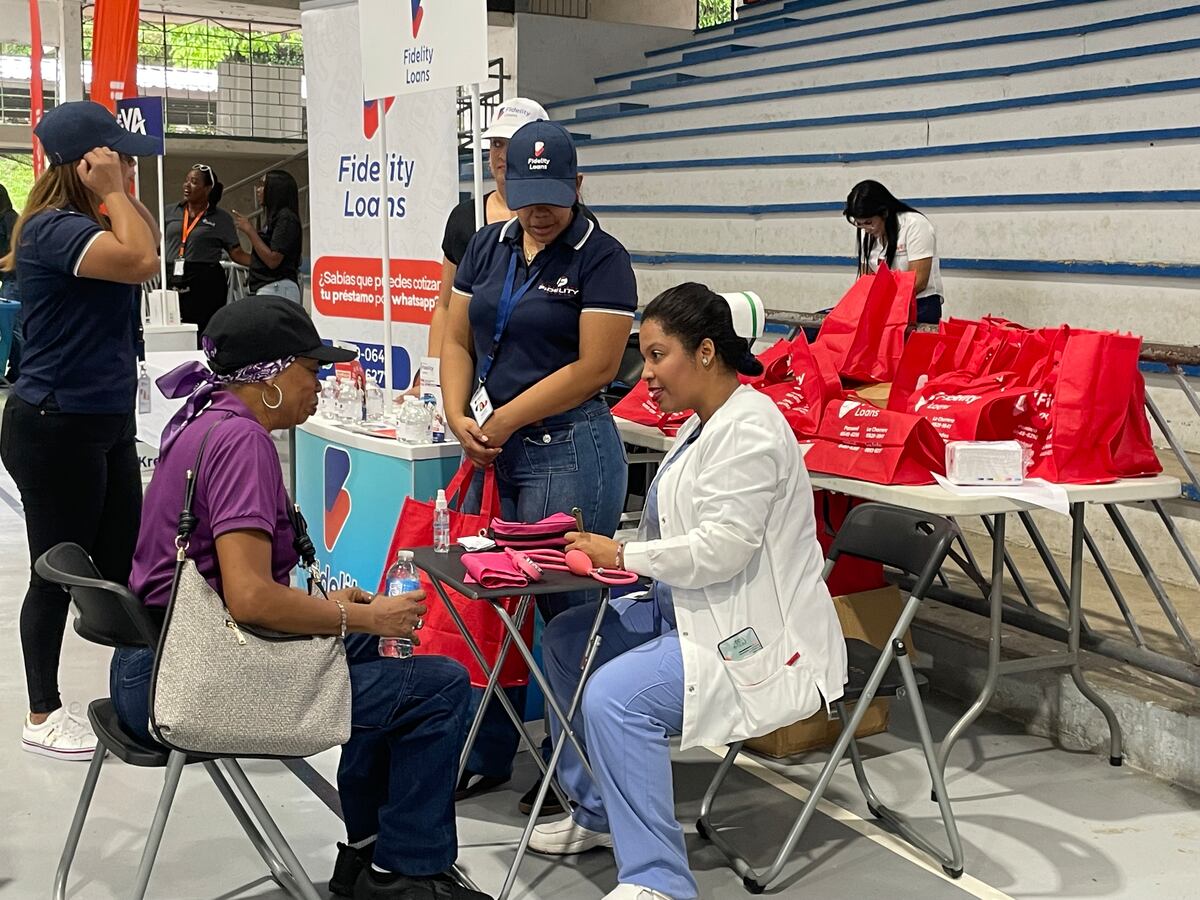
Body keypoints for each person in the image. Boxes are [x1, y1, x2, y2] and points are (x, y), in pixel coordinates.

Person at [111, 296, 491, 900]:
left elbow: (228, 590)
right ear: (270, 377)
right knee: (438, 685)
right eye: (311, 370)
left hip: (153, 663)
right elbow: (250, 600)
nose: (321, 383)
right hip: (191, 679)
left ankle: (371, 856)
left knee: (380, 657)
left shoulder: (201, 419)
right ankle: (407, 873)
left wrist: (350, 617)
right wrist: (357, 615)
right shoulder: (243, 444)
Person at [530, 284, 849, 900]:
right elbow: (675, 533)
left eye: (657, 355)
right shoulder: (703, 426)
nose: (645, 373)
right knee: (568, 640)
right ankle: (597, 812)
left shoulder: (751, 430)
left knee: (616, 698)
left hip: (751, 638)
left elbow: (722, 549)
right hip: (686, 610)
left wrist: (622, 554)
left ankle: (659, 880)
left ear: (705, 352)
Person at [441, 120, 637, 807]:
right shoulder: (488, 245)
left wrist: (503, 419)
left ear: (577, 186)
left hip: (567, 449)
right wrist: (457, 411)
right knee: (493, 604)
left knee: (568, 615)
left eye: (553, 197)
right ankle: (490, 750)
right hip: (498, 446)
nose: (540, 212)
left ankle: (575, 770)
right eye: (527, 198)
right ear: (505, 185)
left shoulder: (601, 257)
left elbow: (596, 367)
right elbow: (457, 337)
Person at [0, 100, 161, 761]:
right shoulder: (52, 230)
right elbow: (141, 261)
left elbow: (148, 244)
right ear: (86, 164)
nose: (128, 168)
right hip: (54, 424)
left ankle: (137, 694)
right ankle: (41, 712)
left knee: (121, 567)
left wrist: (119, 192)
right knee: (55, 569)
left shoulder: (93, 223)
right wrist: (114, 191)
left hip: (103, 420)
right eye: (118, 157)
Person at [844, 179, 945, 324]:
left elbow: (919, 282)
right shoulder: (865, 231)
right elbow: (866, 279)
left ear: (884, 213)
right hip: (884, 304)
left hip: (920, 304)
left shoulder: (915, 225)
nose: (865, 228)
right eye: (859, 224)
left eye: (868, 222)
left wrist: (884, 304)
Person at [165, 163, 240, 339]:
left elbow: (236, 253)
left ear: (207, 189)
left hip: (205, 281)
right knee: (173, 330)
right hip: (173, 276)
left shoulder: (221, 218)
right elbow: (158, 244)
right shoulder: (170, 211)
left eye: (193, 182)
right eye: (186, 180)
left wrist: (261, 263)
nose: (187, 185)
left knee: (204, 331)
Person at [231, 169, 304, 303]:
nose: (258, 190)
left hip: (278, 288)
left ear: (276, 190)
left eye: (263, 186)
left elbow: (273, 260)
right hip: (267, 288)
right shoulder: (273, 218)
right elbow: (261, 260)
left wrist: (250, 231)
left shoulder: (286, 219)